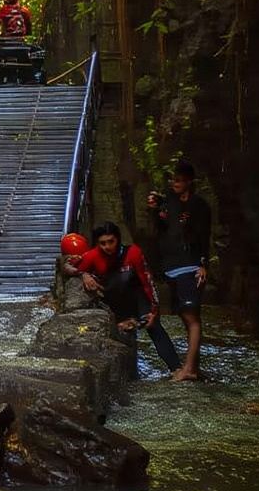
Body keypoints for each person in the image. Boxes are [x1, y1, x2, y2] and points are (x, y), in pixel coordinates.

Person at [63, 221, 184, 374]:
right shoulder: (92, 256)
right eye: (103, 243)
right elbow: (67, 266)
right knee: (121, 332)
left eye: (111, 242)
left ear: (118, 239)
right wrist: (83, 274)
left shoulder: (133, 252)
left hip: (136, 295)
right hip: (114, 300)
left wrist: (154, 310)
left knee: (154, 326)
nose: (107, 247)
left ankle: (176, 368)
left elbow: (147, 281)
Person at [148, 160, 211, 382]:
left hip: (191, 265)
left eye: (178, 180)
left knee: (191, 316)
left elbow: (204, 235)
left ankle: (190, 369)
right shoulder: (169, 204)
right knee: (186, 318)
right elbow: (161, 229)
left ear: (188, 182)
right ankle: (192, 365)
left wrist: (203, 264)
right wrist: (156, 210)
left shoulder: (198, 206)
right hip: (172, 267)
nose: (174, 183)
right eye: (173, 179)